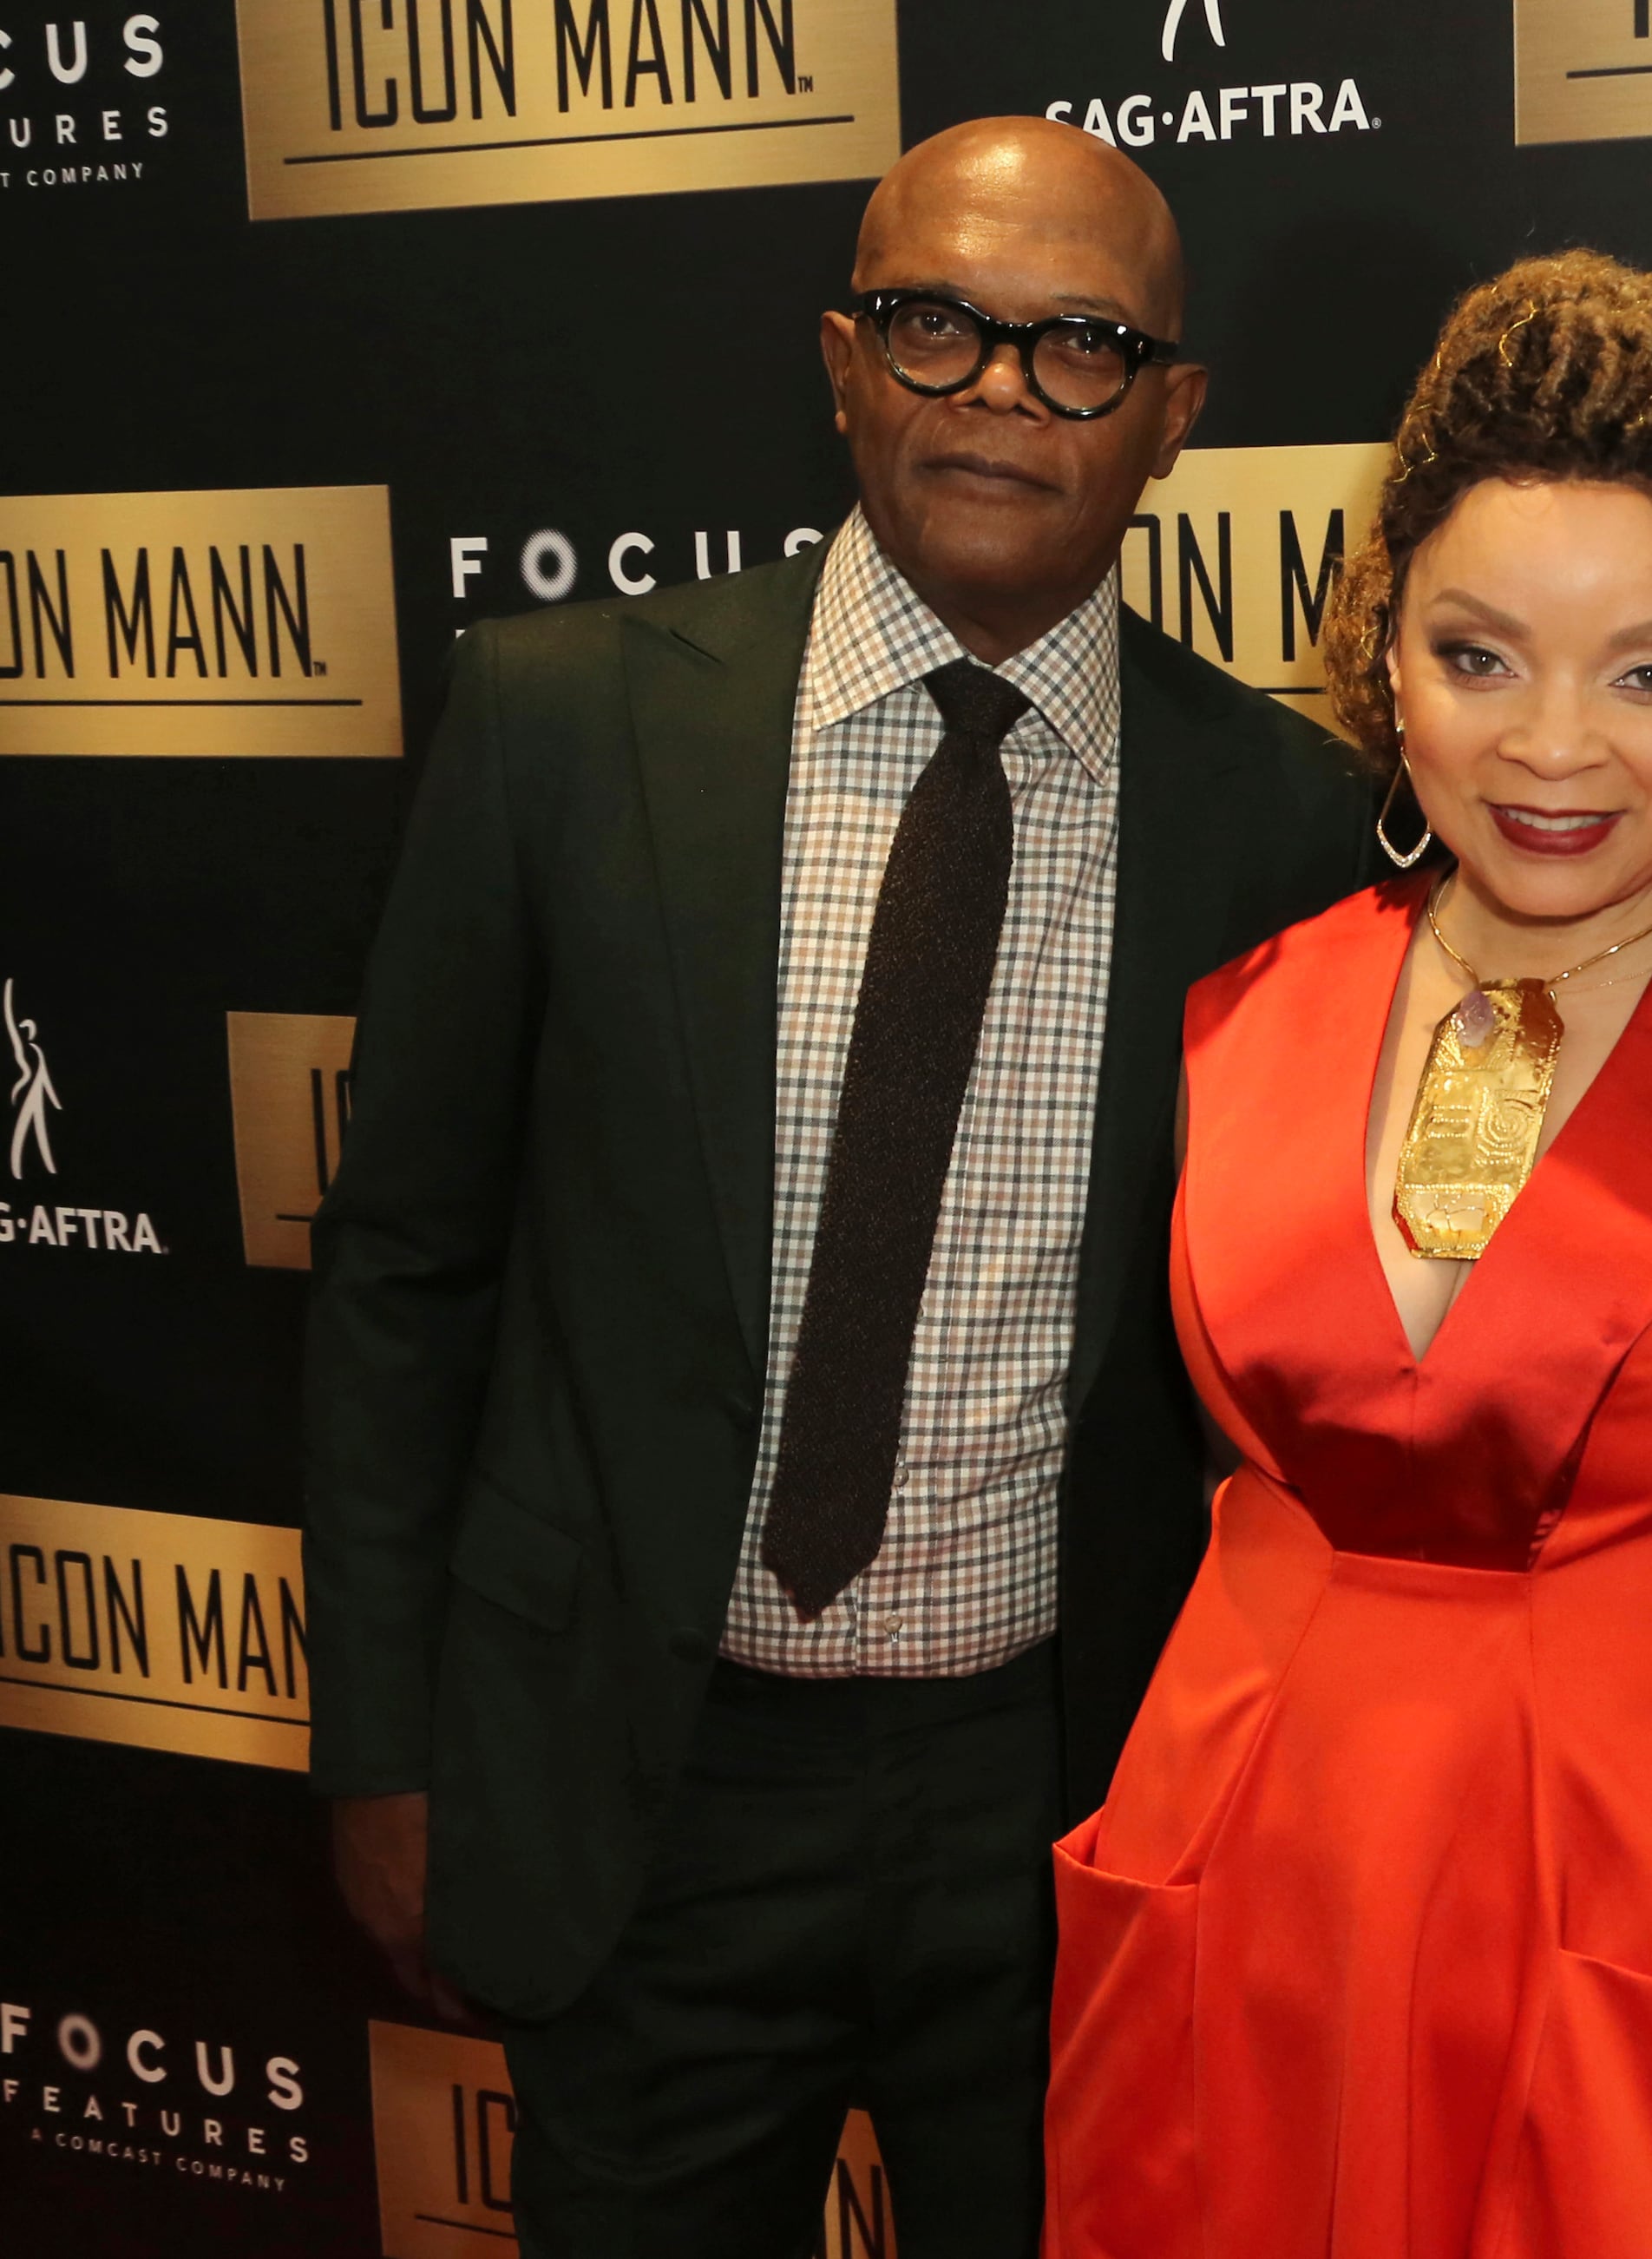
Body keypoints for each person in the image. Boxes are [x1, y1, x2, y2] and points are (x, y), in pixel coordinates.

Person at [300, 118, 1368, 2256]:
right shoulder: (561, 723)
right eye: (935, 324)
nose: (1000, 391)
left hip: (1067, 1808)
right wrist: (386, 1752)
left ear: (1173, 416)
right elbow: (407, 1270)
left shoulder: (1287, 818)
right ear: (842, 361)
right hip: (641, 1785)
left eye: (1080, 346)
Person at [1042, 250, 1652, 2259]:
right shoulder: (1246, 1021)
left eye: (1648, 673)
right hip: (1258, 1905)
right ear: (1382, 652)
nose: (1554, 749)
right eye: (1479, 657)